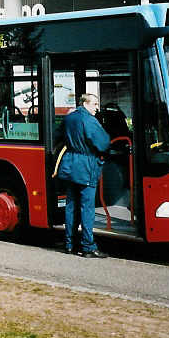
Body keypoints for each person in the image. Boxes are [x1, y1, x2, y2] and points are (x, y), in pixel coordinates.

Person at [56, 93, 111, 258]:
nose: (97, 108)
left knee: (71, 206)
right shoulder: (90, 121)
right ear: (85, 104)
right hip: (86, 166)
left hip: (69, 165)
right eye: (94, 104)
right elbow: (103, 143)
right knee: (87, 208)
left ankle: (69, 244)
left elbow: (59, 136)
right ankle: (88, 247)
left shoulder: (69, 118)